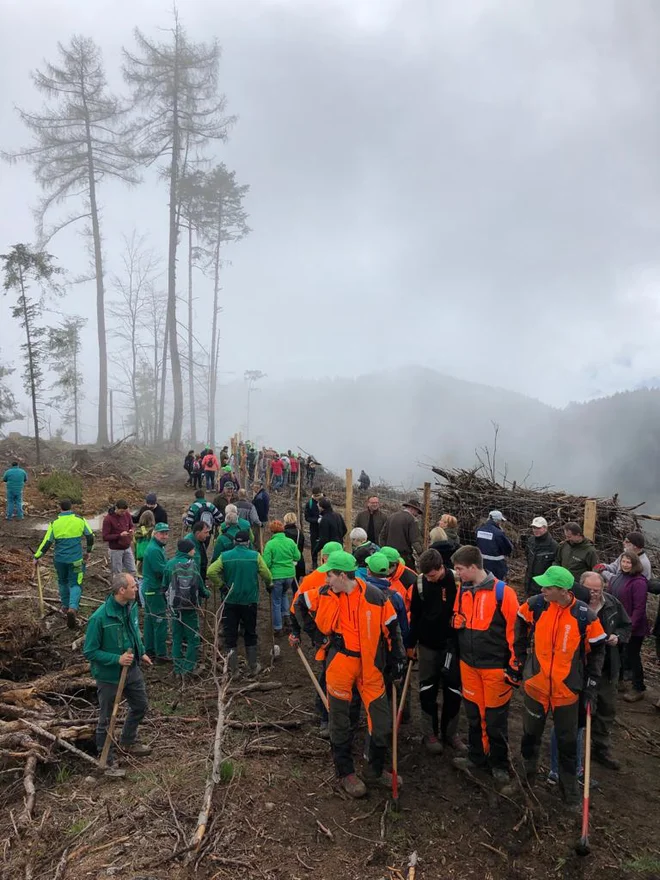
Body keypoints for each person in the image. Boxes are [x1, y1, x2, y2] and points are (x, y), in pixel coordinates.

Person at [293, 550, 406, 798]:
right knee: (340, 719)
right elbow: (299, 605)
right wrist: (316, 636)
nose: (326, 580)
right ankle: (345, 771)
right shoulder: (325, 593)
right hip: (340, 662)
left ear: (343, 575)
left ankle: (374, 769)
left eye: (329, 575)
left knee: (381, 722)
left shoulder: (375, 597)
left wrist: (398, 659)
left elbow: (392, 628)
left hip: (371, 666)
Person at [514, 565, 606, 810]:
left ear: (563, 591)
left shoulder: (585, 616)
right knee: (529, 736)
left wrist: (590, 689)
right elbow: (520, 624)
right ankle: (526, 778)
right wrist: (521, 658)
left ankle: (570, 791)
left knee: (567, 743)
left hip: (567, 691)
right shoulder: (536, 605)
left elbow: (598, 651)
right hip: (537, 686)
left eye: (548, 587)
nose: (542, 589)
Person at [548, 571, 631, 779]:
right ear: (581, 586)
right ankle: (564, 763)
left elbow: (626, 626)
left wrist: (618, 637)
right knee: (577, 717)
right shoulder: (574, 608)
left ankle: (600, 749)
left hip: (607, 668)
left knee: (606, 709)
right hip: (581, 670)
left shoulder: (612, 604)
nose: (594, 594)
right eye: (591, 590)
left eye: (598, 590)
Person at [451, 545, 519, 794]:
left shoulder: (504, 593)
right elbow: (458, 619)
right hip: (468, 666)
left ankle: (499, 764)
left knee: (495, 720)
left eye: (460, 569)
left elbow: (515, 633)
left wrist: (514, 668)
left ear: (473, 567)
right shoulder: (462, 592)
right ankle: (476, 756)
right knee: (473, 715)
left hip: (494, 669)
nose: (458, 574)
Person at [84, 573, 153, 774]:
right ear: (121, 590)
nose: (136, 589)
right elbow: (89, 651)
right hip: (109, 676)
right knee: (107, 718)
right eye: (133, 586)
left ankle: (128, 741)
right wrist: (117, 659)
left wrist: (142, 651)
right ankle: (106, 757)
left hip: (132, 670)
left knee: (140, 705)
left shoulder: (130, 609)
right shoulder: (99, 618)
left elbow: (133, 633)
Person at [409, 549, 465, 755]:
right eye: (427, 576)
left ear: (441, 567)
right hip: (427, 644)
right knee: (427, 688)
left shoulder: (458, 582)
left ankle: (450, 733)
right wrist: (410, 643)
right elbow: (414, 613)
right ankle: (429, 732)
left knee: (453, 689)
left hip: (451, 644)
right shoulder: (420, 583)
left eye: (433, 575)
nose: (430, 579)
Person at [207, 530, 272, 677]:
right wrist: (269, 584)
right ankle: (253, 666)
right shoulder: (255, 556)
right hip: (249, 601)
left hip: (230, 600)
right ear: (248, 542)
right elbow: (266, 574)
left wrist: (222, 585)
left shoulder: (225, 556)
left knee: (230, 634)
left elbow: (211, 571)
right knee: (250, 632)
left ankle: (234, 670)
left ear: (235, 542)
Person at [34, 499, 94, 629]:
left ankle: (65, 606)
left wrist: (37, 556)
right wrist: (88, 551)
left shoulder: (54, 523)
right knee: (75, 583)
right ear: (71, 507)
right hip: (76, 560)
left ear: (59, 508)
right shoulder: (80, 520)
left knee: (62, 582)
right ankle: (73, 608)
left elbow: (47, 542)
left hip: (60, 560)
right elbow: (90, 536)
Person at [164, 538, 210, 678]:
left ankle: (178, 668)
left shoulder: (170, 564)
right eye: (192, 549)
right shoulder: (193, 565)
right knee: (192, 638)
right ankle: (188, 668)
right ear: (188, 551)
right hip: (190, 608)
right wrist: (207, 593)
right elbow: (201, 588)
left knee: (177, 637)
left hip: (175, 607)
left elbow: (164, 586)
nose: (194, 551)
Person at [608, 550, 649, 702]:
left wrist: (630, 627)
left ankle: (638, 687)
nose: (625, 565)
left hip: (634, 628)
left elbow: (639, 608)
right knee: (617, 653)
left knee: (632, 656)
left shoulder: (639, 582)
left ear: (634, 564)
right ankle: (619, 681)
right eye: (623, 562)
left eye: (628, 562)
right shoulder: (618, 577)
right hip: (617, 624)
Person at [264, 520, 301, 634]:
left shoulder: (270, 544)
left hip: (276, 576)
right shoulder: (290, 542)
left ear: (272, 531)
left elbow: (266, 563)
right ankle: (287, 618)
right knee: (284, 595)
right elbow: (298, 556)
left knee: (276, 601)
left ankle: (278, 627)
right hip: (289, 575)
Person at [141, 523, 170, 662]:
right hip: (154, 589)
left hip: (149, 589)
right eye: (162, 533)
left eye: (166, 533)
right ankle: (160, 654)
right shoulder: (154, 550)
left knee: (150, 621)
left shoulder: (157, 548)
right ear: (155, 533)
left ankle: (150, 650)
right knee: (159, 621)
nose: (165, 536)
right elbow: (161, 570)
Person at [379, 499, 423, 571]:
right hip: (404, 557)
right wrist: (422, 555)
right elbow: (415, 541)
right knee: (411, 578)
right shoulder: (412, 520)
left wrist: (384, 550)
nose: (417, 515)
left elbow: (382, 536)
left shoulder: (391, 517)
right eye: (417, 512)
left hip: (389, 557)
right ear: (412, 509)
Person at [524, 516, 559, 596]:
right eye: (534, 528)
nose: (535, 530)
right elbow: (527, 556)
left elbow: (556, 565)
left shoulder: (553, 546)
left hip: (543, 585)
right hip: (529, 582)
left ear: (545, 528)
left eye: (538, 528)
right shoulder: (530, 541)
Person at [475, 510, 513, 581]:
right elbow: (508, 548)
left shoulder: (479, 530)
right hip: (496, 566)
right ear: (498, 521)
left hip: (481, 564)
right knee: (496, 585)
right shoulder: (498, 533)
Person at [102, 500, 136, 576]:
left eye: (125, 511)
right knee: (118, 574)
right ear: (116, 508)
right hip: (115, 550)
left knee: (133, 571)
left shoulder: (127, 514)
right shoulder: (108, 519)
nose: (123, 514)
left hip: (127, 548)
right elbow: (105, 536)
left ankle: (134, 587)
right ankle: (118, 587)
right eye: (121, 512)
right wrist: (119, 535)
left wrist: (132, 530)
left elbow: (131, 525)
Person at [380, 545, 416, 612]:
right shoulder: (383, 573)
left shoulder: (410, 580)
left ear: (394, 565)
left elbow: (417, 607)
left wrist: (404, 620)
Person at [283, 512, 306, 582]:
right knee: (296, 582)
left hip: (286, 561)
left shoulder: (283, 534)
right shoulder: (299, 533)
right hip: (297, 560)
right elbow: (301, 548)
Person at [133, 509, 155, 576]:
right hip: (150, 558)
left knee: (140, 577)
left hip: (139, 558)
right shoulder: (153, 532)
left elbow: (134, 546)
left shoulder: (136, 532)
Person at [305, 489, 323, 568]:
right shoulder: (310, 504)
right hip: (314, 528)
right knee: (314, 546)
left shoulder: (324, 500)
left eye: (318, 496)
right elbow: (307, 517)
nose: (317, 498)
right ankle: (314, 563)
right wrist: (316, 520)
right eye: (315, 496)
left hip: (324, 528)